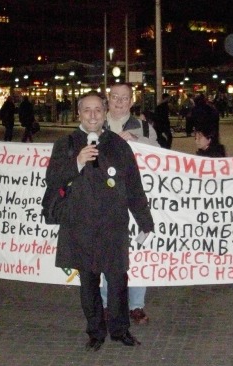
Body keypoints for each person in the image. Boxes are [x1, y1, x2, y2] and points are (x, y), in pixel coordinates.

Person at [42, 91, 154, 351]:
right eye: (87, 110)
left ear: (104, 114)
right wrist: (77, 162)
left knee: (117, 282)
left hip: (112, 227)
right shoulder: (66, 144)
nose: (92, 115)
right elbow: (53, 179)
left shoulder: (117, 144)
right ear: (78, 113)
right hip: (80, 228)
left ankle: (120, 330)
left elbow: (133, 185)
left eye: (97, 110)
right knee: (89, 284)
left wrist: (144, 220)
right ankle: (95, 332)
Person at [102, 82, 159, 325]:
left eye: (124, 98)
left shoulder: (143, 126)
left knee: (138, 251)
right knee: (107, 253)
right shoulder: (96, 123)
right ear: (108, 99)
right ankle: (107, 304)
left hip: (135, 199)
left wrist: (138, 140)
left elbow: (159, 153)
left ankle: (136, 305)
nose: (119, 101)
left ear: (131, 101)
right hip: (104, 201)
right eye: (115, 97)